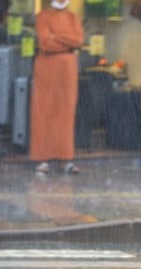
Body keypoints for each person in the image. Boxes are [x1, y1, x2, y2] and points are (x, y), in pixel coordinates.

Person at [29, 0, 84, 174]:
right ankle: (42, 158)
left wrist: (56, 36)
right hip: (47, 65)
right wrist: (67, 39)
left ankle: (65, 158)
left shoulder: (73, 17)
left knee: (66, 113)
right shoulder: (42, 16)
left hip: (67, 68)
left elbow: (79, 40)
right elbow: (45, 42)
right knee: (43, 110)